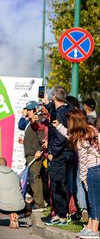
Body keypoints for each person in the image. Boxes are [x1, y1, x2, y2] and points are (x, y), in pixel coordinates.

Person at [54, 109, 100, 239]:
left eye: (69, 122)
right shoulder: (90, 130)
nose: (67, 124)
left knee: (94, 201)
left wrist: (83, 179)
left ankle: (94, 230)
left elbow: (83, 161)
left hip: (93, 170)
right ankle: (90, 226)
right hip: (97, 167)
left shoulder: (80, 139)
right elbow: (69, 134)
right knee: (92, 200)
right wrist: (58, 126)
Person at [43, 86, 75, 225]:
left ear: (54, 96)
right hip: (68, 152)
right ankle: (60, 213)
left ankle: (61, 215)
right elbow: (54, 107)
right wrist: (46, 103)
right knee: (60, 183)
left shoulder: (61, 113)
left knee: (57, 184)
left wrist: (52, 153)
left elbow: (60, 138)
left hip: (59, 154)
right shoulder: (68, 108)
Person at [0, 157, 28, 229]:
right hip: (19, 207)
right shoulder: (14, 173)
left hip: (2, 207)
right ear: (6, 165)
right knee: (29, 208)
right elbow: (20, 188)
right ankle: (17, 215)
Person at [22, 101, 47, 210]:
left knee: (34, 177)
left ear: (35, 110)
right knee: (32, 178)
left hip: (35, 154)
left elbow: (42, 137)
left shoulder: (38, 120)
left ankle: (39, 203)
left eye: (29, 110)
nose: (27, 111)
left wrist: (40, 150)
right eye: (27, 109)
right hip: (30, 154)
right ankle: (38, 200)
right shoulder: (31, 121)